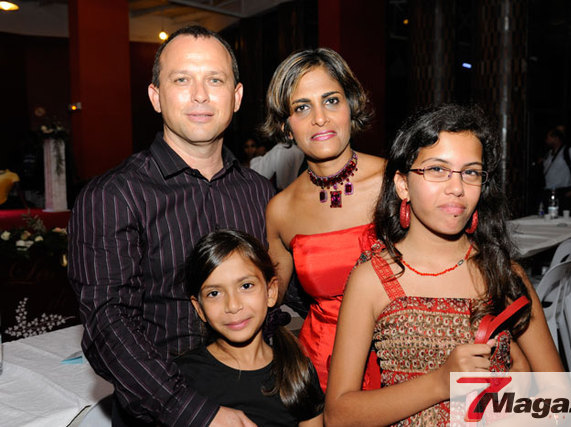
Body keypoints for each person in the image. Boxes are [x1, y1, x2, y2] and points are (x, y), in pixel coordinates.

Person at [67, 26, 274, 426]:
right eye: (182, 80)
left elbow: (281, 296)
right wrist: (197, 412)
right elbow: (108, 325)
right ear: (155, 96)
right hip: (168, 415)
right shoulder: (113, 196)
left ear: (236, 96)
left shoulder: (261, 193)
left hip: (263, 400)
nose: (200, 95)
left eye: (215, 80)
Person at [324, 105, 564, 426]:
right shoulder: (373, 279)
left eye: (471, 172)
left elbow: (558, 393)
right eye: (437, 169)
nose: (457, 187)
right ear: (403, 185)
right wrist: (441, 382)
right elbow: (338, 415)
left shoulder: (501, 273)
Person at [262, 48, 385, 391]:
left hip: (402, 362)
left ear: (351, 106)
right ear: (286, 126)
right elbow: (267, 299)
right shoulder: (281, 210)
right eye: (302, 108)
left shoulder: (396, 184)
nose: (320, 118)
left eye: (331, 101)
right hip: (321, 372)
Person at [176, 229, 324, 426]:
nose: (233, 305)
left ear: (271, 292)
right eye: (214, 293)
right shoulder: (182, 379)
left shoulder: (297, 370)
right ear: (199, 308)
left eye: (246, 286)